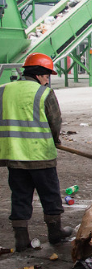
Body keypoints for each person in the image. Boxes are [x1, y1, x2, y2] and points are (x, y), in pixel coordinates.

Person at [0, 53, 72, 252]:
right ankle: (55, 234)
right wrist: (55, 140)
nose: (48, 79)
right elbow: (55, 122)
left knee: (20, 196)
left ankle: (21, 240)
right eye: (47, 75)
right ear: (40, 75)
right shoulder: (43, 93)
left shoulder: (4, 90)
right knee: (49, 195)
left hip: (14, 155)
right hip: (41, 155)